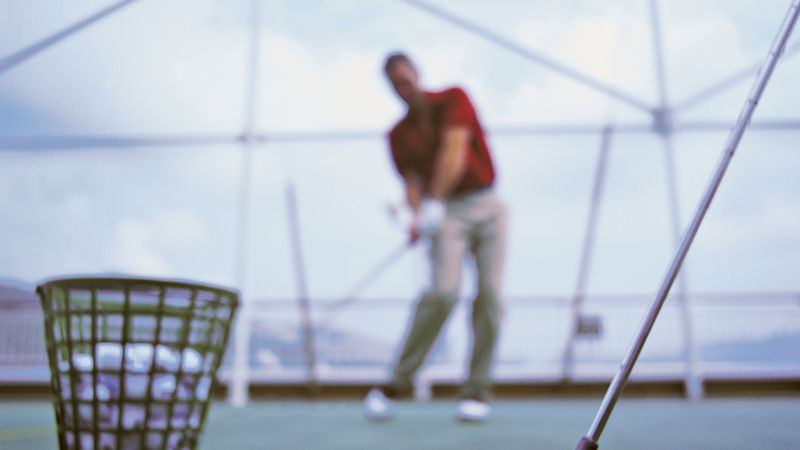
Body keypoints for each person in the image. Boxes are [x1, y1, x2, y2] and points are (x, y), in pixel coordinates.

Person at [363, 51, 508, 423]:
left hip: (485, 205)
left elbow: (454, 151)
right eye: (396, 84)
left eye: (405, 78)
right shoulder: (397, 136)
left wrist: (433, 203)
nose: (403, 86)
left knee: (490, 295)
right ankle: (399, 382)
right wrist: (417, 217)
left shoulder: (454, 98)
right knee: (442, 292)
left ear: (416, 73)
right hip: (445, 213)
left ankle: (477, 389)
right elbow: (412, 182)